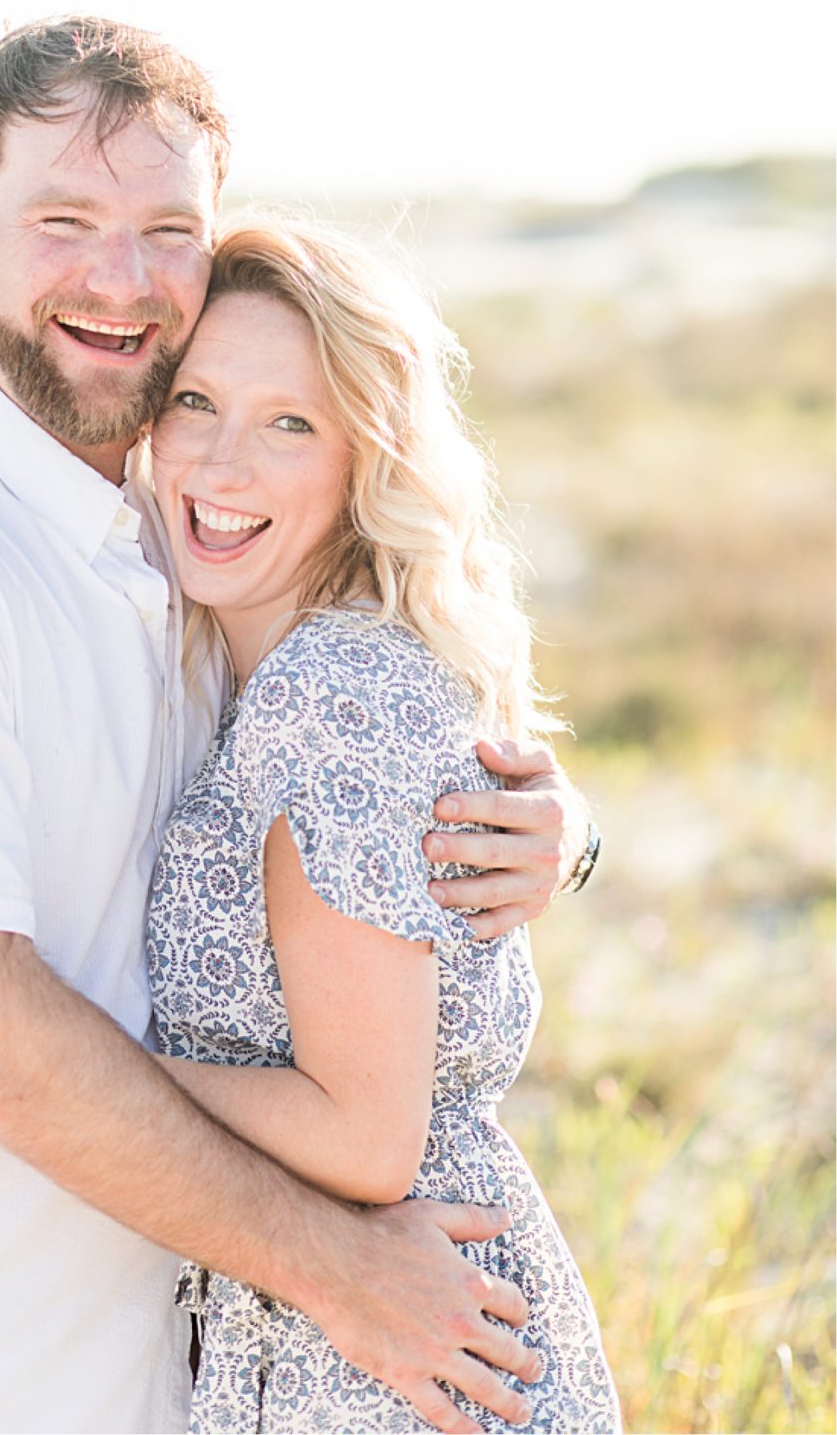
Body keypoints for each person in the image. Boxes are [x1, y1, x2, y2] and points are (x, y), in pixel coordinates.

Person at [0, 18, 597, 1435]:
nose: (118, 279)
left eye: (166, 229)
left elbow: (346, 782)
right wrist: (343, 1273)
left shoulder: (178, 552)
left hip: (158, 1366)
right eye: (63, 219)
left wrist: (542, 831)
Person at [140, 217, 620, 1431]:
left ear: (369, 458)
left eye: (290, 421)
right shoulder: (250, 661)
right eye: (195, 400)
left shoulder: (333, 696)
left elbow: (364, 1138)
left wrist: (87, 1074)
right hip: (347, 1327)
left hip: (391, 1352)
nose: (221, 463)